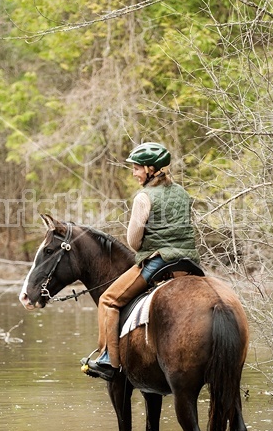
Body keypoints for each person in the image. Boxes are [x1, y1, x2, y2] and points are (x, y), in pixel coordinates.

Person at [81, 141, 200, 381]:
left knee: (108, 300)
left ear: (150, 169)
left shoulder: (144, 197)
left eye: (136, 168)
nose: (134, 173)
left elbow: (134, 242)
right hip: (189, 264)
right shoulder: (182, 193)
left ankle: (108, 361)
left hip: (159, 262)